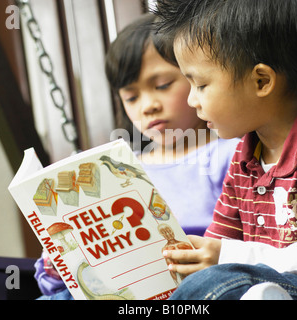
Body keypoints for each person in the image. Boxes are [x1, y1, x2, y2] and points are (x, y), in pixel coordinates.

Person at [154, 0, 297, 300]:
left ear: (261, 80)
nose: (192, 100)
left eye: (200, 85)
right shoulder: (246, 153)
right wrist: (195, 256)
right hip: (256, 285)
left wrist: (228, 257)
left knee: (220, 284)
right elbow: (220, 240)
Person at [35, 13, 239, 299]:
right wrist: (56, 265)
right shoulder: (117, 169)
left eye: (163, 85)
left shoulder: (230, 155)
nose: (148, 106)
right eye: (132, 97)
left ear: (197, 79)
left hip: (196, 285)